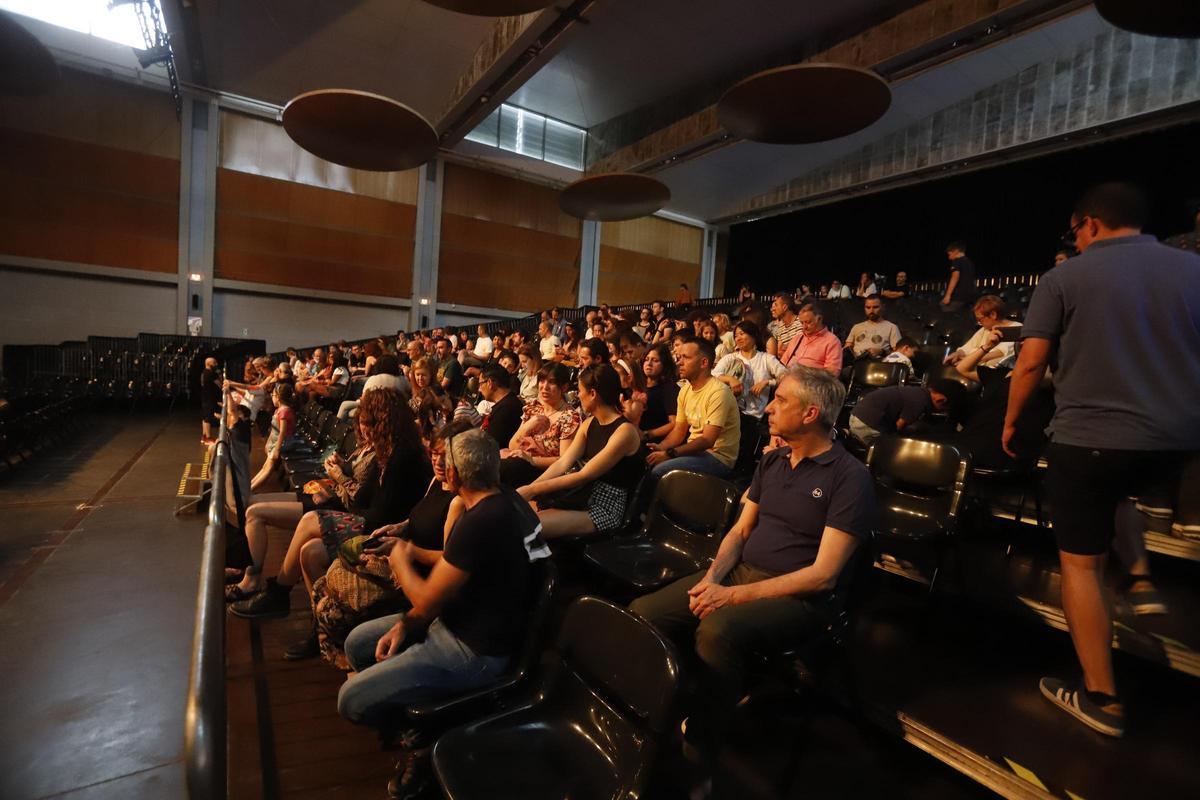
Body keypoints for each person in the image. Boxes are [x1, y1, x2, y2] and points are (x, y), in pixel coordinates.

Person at [1003, 182, 1200, 737]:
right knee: (1122, 493)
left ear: (1088, 224)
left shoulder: (1065, 276)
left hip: (1091, 440)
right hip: (1177, 445)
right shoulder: (1192, 269)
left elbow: (1030, 363)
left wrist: (1013, 421)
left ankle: (1101, 698)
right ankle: (1139, 580)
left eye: (1075, 230)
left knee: (1081, 566)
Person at [630, 366, 874, 759]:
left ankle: (700, 750)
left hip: (799, 597)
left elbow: (824, 576)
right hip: (742, 575)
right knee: (644, 612)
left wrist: (731, 597)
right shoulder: (774, 461)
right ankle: (656, 709)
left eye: (781, 400)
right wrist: (712, 580)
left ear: (810, 414)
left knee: (716, 631)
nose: (770, 408)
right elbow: (741, 532)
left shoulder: (850, 478)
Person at [336, 428, 536, 728]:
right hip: (453, 620)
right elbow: (453, 564)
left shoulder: (481, 521)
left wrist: (400, 557)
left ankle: (425, 730)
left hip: (474, 651)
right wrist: (405, 620)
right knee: (357, 644)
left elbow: (425, 601)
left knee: (349, 699)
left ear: (454, 474)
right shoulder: (498, 499)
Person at [230, 389, 433, 621]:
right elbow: (364, 500)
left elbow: (377, 515)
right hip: (369, 523)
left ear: (385, 422)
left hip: (386, 537)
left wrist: (338, 486)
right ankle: (319, 625)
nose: (365, 429)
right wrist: (336, 494)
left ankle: (278, 592)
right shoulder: (386, 453)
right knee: (309, 552)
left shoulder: (403, 457)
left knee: (309, 520)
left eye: (370, 422)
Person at [519, 364, 644, 538]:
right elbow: (563, 462)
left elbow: (584, 475)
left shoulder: (625, 432)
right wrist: (530, 488)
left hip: (604, 507)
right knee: (515, 517)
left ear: (593, 394)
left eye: (579, 390)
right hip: (581, 496)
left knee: (525, 527)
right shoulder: (589, 423)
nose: (577, 395)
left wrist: (533, 490)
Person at [646, 338, 740, 480]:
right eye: (679, 357)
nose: (679, 362)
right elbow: (679, 430)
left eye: (686, 358)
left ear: (703, 363)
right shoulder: (685, 390)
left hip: (717, 458)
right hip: (696, 452)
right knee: (646, 460)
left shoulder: (718, 392)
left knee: (659, 470)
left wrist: (669, 453)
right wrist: (661, 447)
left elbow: (708, 440)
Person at [501, 362, 582, 487]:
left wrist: (531, 460)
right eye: (542, 381)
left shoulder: (569, 417)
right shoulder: (534, 408)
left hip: (544, 474)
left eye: (552, 382)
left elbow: (563, 460)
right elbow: (512, 445)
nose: (544, 387)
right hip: (519, 463)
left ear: (564, 387)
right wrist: (527, 426)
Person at [712, 320, 787, 420]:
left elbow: (787, 377)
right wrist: (729, 379)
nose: (738, 338)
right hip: (732, 411)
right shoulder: (730, 358)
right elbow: (712, 376)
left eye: (741, 334)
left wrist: (768, 382)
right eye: (736, 336)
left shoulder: (766, 359)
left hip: (755, 416)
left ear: (753, 336)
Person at [848, 380, 957, 445]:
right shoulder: (921, 402)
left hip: (857, 416)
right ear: (941, 400)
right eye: (944, 409)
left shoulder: (917, 392)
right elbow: (899, 425)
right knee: (891, 449)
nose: (942, 411)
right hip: (868, 425)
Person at [249, 383, 300, 492]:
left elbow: (282, 432)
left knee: (268, 469)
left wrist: (276, 449)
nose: (272, 398)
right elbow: (274, 431)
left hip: (284, 442)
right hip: (277, 441)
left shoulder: (284, 411)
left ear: (278, 397)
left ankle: (250, 490)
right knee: (265, 467)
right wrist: (269, 443)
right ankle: (248, 487)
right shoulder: (279, 410)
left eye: (273, 395)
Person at [945, 295, 1021, 366]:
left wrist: (967, 360)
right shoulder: (985, 329)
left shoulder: (1016, 328)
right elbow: (968, 347)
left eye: (980, 319)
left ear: (993, 315)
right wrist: (957, 353)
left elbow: (1000, 353)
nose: (979, 322)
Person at [783, 303, 842, 375]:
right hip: (788, 379)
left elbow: (833, 373)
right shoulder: (797, 338)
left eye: (808, 322)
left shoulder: (832, 341)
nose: (804, 327)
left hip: (812, 383)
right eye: (802, 323)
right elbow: (783, 363)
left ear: (819, 319)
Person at [640, 343, 680, 442]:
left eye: (655, 360)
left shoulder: (669, 388)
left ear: (664, 365)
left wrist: (648, 434)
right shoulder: (639, 384)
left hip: (656, 441)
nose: (649, 364)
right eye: (647, 359)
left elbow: (674, 423)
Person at [479, 362, 524, 448]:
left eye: (481, 384)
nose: (479, 389)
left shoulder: (507, 409)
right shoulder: (507, 404)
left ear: (489, 383)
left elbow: (489, 445)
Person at [765, 292, 803, 358]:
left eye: (776, 305)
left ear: (785, 307)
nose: (773, 309)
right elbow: (779, 352)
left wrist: (786, 348)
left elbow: (798, 350)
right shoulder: (781, 326)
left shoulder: (800, 322)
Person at [941, 241, 978, 310]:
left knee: (944, 311)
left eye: (949, 254)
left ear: (956, 251)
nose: (949, 257)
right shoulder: (969, 262)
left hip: (958, 297)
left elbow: (955, 277)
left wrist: (948, 295)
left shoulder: (957, 261)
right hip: (970, 296)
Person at [200, 357, 222, 445]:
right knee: (208, 417)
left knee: (205, 417)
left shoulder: (204, 372)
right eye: (214, 363)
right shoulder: (210, 373)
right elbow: (220, 384)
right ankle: (208, 438)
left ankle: (204, 436)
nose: (216, 364)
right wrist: (219, 375)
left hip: (205, 398)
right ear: (209, 363)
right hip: (210, 398)